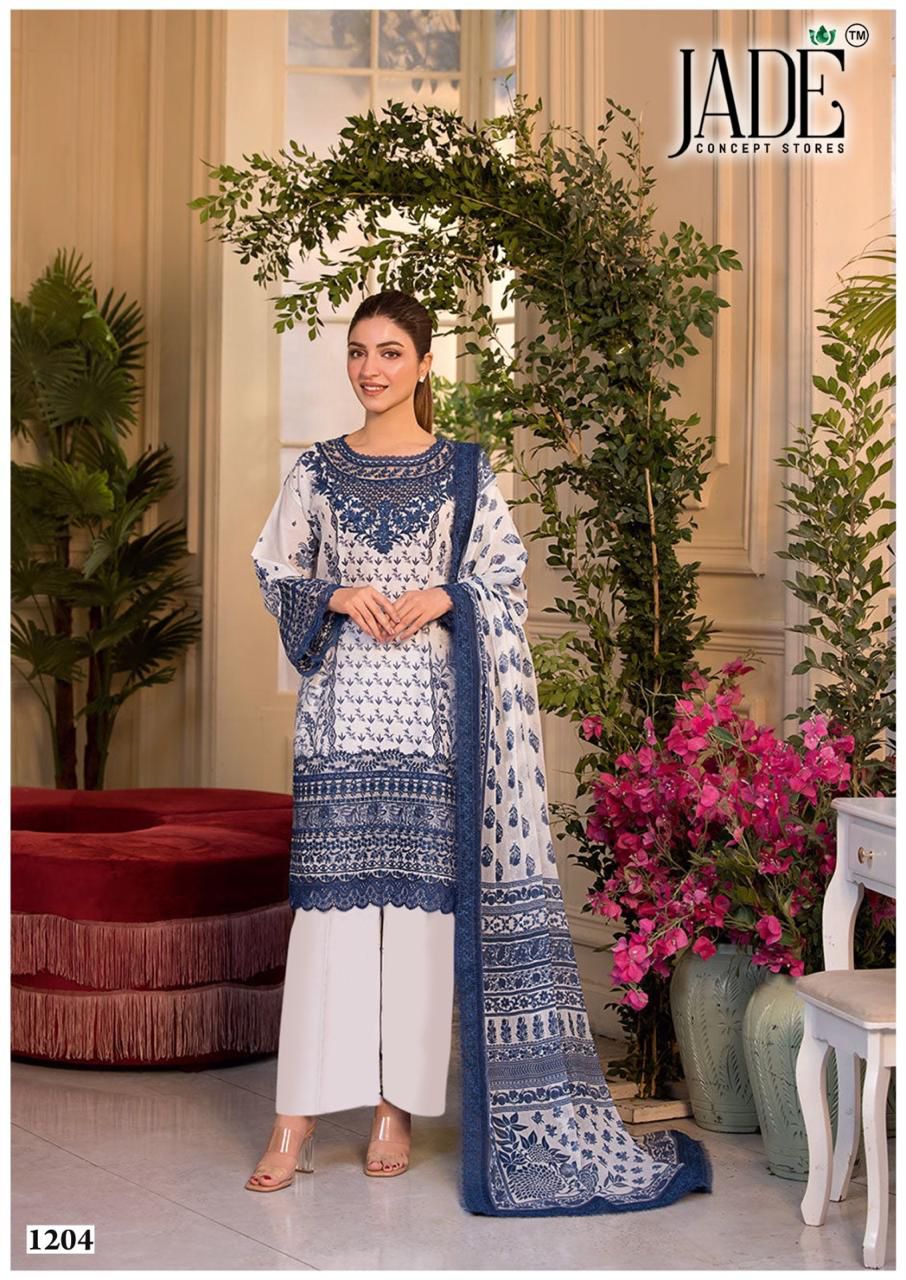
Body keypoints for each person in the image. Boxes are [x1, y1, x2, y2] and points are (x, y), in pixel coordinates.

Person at [248, 288, 713, 1215]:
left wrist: (448, 597)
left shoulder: (464, 471)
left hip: (434, 724)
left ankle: (394, 1113)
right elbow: (274, 567)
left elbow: (506, 576)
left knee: (420, 927)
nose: (370, 368)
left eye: (390, 352)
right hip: (340, 723)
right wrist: (336, 595)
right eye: (358, 351)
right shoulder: (318, 469)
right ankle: (293, 1119)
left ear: (425, 364)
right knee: (330, 922)